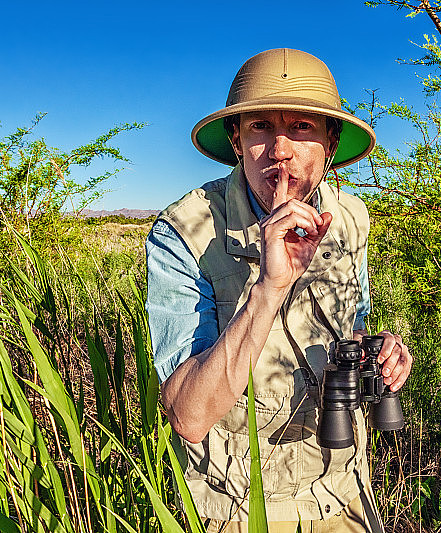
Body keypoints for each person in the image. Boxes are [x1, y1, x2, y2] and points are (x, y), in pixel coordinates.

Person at [146, 48, 412, 532]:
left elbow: (353, 324)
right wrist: (269, 289)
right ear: (236, 139)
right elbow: (188, 416)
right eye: (260, 127)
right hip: (240, 509)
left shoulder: (351, 216)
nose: (280, 150)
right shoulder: (184, 232)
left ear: (331, 143)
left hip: (346, 492)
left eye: (303, 127)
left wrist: (381, 351)